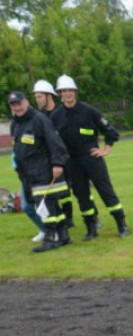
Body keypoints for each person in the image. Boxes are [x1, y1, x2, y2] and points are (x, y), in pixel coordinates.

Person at [49, 74, 128, 239]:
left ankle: (121, 225)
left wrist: (105, 149)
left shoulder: (89, 111)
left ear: (75, 92)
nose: (68, 93)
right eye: (64, 91)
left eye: (71, 90)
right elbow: (52, 140)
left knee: (106, 191)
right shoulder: (55, 116)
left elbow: (111, 131)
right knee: (82, 195)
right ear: (60, 94)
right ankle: (91, 229)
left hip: (92, 159)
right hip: (72, 162)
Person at [8, 90, 72, 252]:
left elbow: (55, 143)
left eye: (19, 103)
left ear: (26, 102)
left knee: (45, 207)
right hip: (29, 174)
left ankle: (51, 238)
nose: (17, 107)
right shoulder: (15, 124)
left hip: (44, 171)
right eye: (13, 105)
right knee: (52, 207)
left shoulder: (39, 119)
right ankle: (63, 236)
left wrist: (58, 164)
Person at [33, 79, 77, 233]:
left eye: (39, 96)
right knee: (58, 191)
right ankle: (62, 220)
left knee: (69, 191)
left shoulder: (61, 112)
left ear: (48, 96)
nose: (36, 100)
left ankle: (69, 217)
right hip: (52, 160)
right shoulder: (38, 116)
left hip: (68, 158)